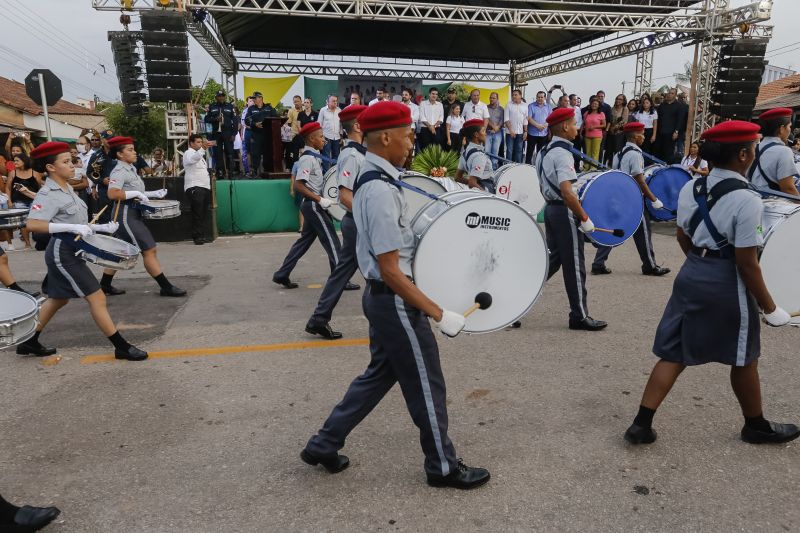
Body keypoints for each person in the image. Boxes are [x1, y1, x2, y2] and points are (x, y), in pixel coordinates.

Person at [301, 101, 490, 490]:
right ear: (385, 137)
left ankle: (323, 444)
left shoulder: (378, 180)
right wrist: (439, 313)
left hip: (384, 298)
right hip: (395, 300)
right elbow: (390, 268)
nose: (411, 143)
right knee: (427, 383)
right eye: (407, 135)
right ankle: (442, 466)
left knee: (378, 375)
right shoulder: (382, 191)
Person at [623, 120, 799, 446]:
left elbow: (681, 234)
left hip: (692, 273)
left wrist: (699, 261)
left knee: (674, 352)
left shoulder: (692, 187)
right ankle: (756, 425)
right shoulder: (748, 200)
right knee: (744, 355)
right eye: (754, 147)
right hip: (727, 281)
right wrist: (771, 308)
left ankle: (641, 424)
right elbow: (747, 263)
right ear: (744, 154)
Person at [20, 141, 148, 360]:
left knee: (58, 299)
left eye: (71, 161)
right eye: (66, 162)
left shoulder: (67, 187)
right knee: (97, 298)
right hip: (63, 253)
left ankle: (28, 341)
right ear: (51, 167)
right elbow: (33, 224)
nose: (73, 166)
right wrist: (71, 227)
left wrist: (99, 227)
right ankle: (121, 347)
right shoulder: (48, 193)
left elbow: (76, 222)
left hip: (71, 249)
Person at [536, 107, 607, 331]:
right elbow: (567, 191)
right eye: (575, 124)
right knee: (575, 265)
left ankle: (516, 298)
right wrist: (584, 217)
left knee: (553, 261)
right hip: (564, 211)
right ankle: (580, 315)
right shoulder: (563, 154)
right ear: (565, 126)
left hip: (551, 210)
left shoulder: (544, 151)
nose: (578, 128)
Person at [305, 105, 368, 339]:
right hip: (359, 222)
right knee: (382, 272)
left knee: (343, 273)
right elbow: (345, 195)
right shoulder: (352, 155)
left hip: (357, 222)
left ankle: (318, 319)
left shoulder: (357, 153)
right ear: (359, 126)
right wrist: (368, 220)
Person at [103, 137, 187, 297]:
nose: (134, 152)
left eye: (133, 149)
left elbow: (135, 192)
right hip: (125, 215)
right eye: (130, 149)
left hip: (133, 213)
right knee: (149, 249)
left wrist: (152, 194)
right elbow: (113, 193)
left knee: (121, 251)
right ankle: (165, 286)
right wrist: (135, 193)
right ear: (120, 154)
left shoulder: (130, 168)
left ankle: (104, 284)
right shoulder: (119, 170)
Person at [590, 122, 671, 277]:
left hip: (619, 197)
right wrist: (653, 199)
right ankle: (650, 265)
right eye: (642, 134)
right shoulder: (635, 154)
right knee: (644, 233)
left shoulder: (619, 153)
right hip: (633, 199)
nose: (644, 137)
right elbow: (639, 180)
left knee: (614, 229)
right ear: (635, 136)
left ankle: (598, 263)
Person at [272, 122, 342, 289]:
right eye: (321, 137)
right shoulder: (307, 159)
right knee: (332, 241)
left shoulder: (313, 157)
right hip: (313, 206)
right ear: (311, 138)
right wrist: (320, 200)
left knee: (303, 243)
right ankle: (340, 279)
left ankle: (282, 274)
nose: (324, 140)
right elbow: (298, 185)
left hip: (312, 206)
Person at [748, 107, 800, 197]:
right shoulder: (784, 151)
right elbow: (788, 189)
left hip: (753, 198)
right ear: (781, 129)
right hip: (773, 204)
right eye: (789, 126)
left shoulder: (755, 148)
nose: (790, 130)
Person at [6, 153, 42, 249]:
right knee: (23, 223)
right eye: (14, 160)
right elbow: (8, 188)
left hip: (35, 202)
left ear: (24, 161)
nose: (15, 162)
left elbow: (41, 188)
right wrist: (9, 201)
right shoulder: (13, 173)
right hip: (19, 202)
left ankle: (39, 240)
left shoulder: (35, 173)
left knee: (37, 220)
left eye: (17, 160)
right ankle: (28, 243)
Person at [183, 134, 211, 245]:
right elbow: (192, 160)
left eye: (201, 142)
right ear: (191, 143)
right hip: (195, 187)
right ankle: (197, 236)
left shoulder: (200, 155)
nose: (200, 144)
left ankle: (202, 235)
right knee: (198, 213)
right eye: (198, 142)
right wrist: (203, 149)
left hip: (203, 186)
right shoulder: (188, 153)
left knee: (203, 213)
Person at [454, 119, 495, 191]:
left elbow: (457, 177)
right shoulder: (479, 156)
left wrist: (473, 185)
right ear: (476, 134)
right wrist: (486, 194)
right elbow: (472, 183)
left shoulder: (465, 152)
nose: (485, 134)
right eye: (483, 131)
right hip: (486, 189)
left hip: (477, 191)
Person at [204, 90, 238, 178]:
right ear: (216, 97)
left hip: (228, 133)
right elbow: (206, 119)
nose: (221, 98)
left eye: (222, 96)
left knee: (229, 153)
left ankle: (230, 172)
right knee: (217, 153)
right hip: (216, 134)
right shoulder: (212, 106)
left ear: (225, 97)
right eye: (219, 96)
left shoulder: (230, 106)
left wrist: (234, 134)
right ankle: (220, 172)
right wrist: (215, 119)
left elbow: (235, 120)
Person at [244, 92, 278, 178]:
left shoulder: (269, 108)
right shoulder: (251, 109)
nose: (253, 100)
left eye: (255, 98)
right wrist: (255, 124)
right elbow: (247, 120)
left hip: (267, 135)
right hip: (256, 135)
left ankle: (267, 172)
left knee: (268, 154)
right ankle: (254, 172)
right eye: (253, 98)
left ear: (260, 98)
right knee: (255, 154)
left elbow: (276, 118)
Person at [653, 88, 684, 163]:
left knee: (668, 153)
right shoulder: (662, 105)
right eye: (669, 93)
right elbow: (657, 119)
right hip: (660, 133)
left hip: (671, 134)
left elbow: (680, 120)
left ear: (675, 95)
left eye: (672, 93)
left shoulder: (679, 106)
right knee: (658, 152)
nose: (669, 94)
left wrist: (676, 132)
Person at [526, 90, 552, 164]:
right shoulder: (531, 106)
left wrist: (545, 125)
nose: (540, 98)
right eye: (538, 97)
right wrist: (538, 125)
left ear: (544, 98)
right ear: (536, 97)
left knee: (540, 153)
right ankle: (527, 166)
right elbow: (529, 118)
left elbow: (550, 119)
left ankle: (538, 166)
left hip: (544, 133)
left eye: (541, 97)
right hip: (532, 133)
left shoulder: (548, 107)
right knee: (529, 152)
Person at [318, 95, 342, 172]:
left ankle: (333, 175)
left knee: (336, 157)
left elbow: (341, 124)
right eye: (333, 101)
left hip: (337, 137)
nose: (335, 102)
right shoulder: (323, 110)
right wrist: (321, 137)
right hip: (326, 137)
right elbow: (319, 124)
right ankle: (326, 175)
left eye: (336, 101)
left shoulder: (339, 110)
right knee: (326, 157)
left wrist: (341, 135)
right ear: (328, 102)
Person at [605, 94, 629, 166]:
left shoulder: (625, 109)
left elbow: (624, 121)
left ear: (623, 101)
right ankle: (609, 166)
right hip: (610, 133)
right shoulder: (612, 108)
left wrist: (615, 127)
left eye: (620, 99)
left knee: (617, 151)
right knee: (609, 151)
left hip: (619, 133)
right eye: (617, 99)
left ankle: (616, 167)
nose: (618, 100)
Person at [582, 98, 606, 169]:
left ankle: (593, 167)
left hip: (597, 135)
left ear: (598, 106)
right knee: (588, 152)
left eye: (596, 104)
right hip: (587, 135)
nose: (594, 105)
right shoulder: (587, 113)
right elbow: (584, 123)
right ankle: (586, 167)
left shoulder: (601, 114)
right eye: (593, 103)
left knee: (595, 152)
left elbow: (604, 125)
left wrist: (595, 127)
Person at [504, 89, 527, 164]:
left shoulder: (525, 105)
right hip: (509, 133)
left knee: (519, 150)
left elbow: (525, 120)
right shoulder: (508, 104)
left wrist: (525, 132)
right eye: (513, 95)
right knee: (510, 151)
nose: (513, 96)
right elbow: (506, 119)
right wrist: (511, 130)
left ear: (520, 96)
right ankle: (508, 167)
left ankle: (518, 167)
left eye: (515, 95)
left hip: (520, 132)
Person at [485, 92, 504, 168]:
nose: (491, 99)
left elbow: (502, 120)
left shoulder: (501, 109)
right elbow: (486, 119)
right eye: (491, 97)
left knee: (495, 152)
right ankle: (487, 169)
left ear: (497, 99)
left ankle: (494, 169)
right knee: (487, 152)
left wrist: (497, 128)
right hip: (488, 132)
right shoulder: (485, 108)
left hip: (498, 133)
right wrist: (494, 127)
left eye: (493, 98)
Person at [240, 96, 255, 177]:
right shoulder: (245, 111)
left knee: (254, 153)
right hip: (247, 134)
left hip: (256, 134)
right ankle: (247, 171)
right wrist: (242, 135)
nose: (252, 102)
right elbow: (243, 125)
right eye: (250, 101)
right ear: (247, 102)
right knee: (246, 153)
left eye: (253, 101)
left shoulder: (256, 110)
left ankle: (255, 171)